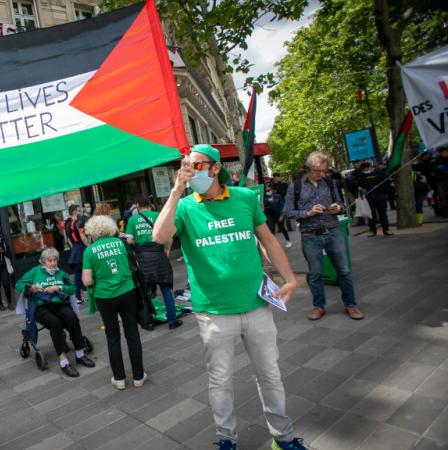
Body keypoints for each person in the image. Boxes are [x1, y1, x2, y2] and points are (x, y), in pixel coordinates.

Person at [153, 144, 307, 450]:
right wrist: (175, 191)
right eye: (185, 166)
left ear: (214, 167)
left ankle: (284, 438)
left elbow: (268, 241)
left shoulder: (245, 198)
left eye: (196, 165)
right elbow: (159, 237)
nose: (189, 171)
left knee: (270, 375)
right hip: (213, 311)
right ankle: (226, 439)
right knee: (220, 380)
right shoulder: (184, 207)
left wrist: (289, 279)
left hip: (256, 306)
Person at [284, 151, 362, 321]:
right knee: (315, 273)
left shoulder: (330, 183)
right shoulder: (295, 186)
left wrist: (338, 208)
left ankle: (351, 304)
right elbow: (287, 212)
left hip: (333, 231)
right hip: (310, 235)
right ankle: (319, 306)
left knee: (344, 270)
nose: (321, 174)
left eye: (323, 171)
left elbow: (341, 204)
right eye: (317, 171)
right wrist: (308, 212)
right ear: (308, 169)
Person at [82, 215, 145, 390]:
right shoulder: (122, 243)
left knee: (112, 337)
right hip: (127, 292)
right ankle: (139, 376)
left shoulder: (89, 251)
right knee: (132, 333)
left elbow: (86, 281)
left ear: (92, 232)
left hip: (105, 297)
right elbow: (134, 266)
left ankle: (119, 379)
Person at [15, 248, 95, 377]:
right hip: (40, 307)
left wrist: (59, 287)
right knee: (55, 323)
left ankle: (80, 354)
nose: (53, 263)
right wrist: (30, 288)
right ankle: (63, 361)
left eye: (55, 260)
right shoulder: (35, 272)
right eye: (49, 260)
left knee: (72, 317)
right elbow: (19, 285)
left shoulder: (61, 273)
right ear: (42, 262)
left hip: (59, 304)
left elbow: (72, 289)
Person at [125, 196, 180, 329]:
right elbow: (170, 235)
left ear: (137, 205)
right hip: (159, 256)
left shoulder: (132, 220)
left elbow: (129, 241)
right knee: (166, 289)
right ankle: (173, 321)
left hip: (143, 259)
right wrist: (166, 250)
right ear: (150, 204)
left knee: (146, 293)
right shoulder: (158, 215)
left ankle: (149, 322)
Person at [357, 161, 393, 236]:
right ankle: (373, 231)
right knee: (371, 215)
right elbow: (360, 185)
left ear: (371, 167)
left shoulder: (380, 173)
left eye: (368, 168)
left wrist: (384, 194)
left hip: (380, 197)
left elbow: (386, 183)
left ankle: (386, 229)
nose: (367, 170)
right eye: (364, 169)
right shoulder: (361, 176)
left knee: (383, 214)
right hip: (369, 198)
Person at [64, 205, 89, 304]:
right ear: (74, 212)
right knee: (87, 272)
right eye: (78, 210)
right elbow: (82, 235)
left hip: (75, 249)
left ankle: (77, 297)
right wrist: (88, 246)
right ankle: (87, 296)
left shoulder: (67, 223)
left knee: (78, 275)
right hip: (81, 248)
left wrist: (73, 247)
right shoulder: (80, 220)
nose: (80, 212)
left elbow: (67, 239)